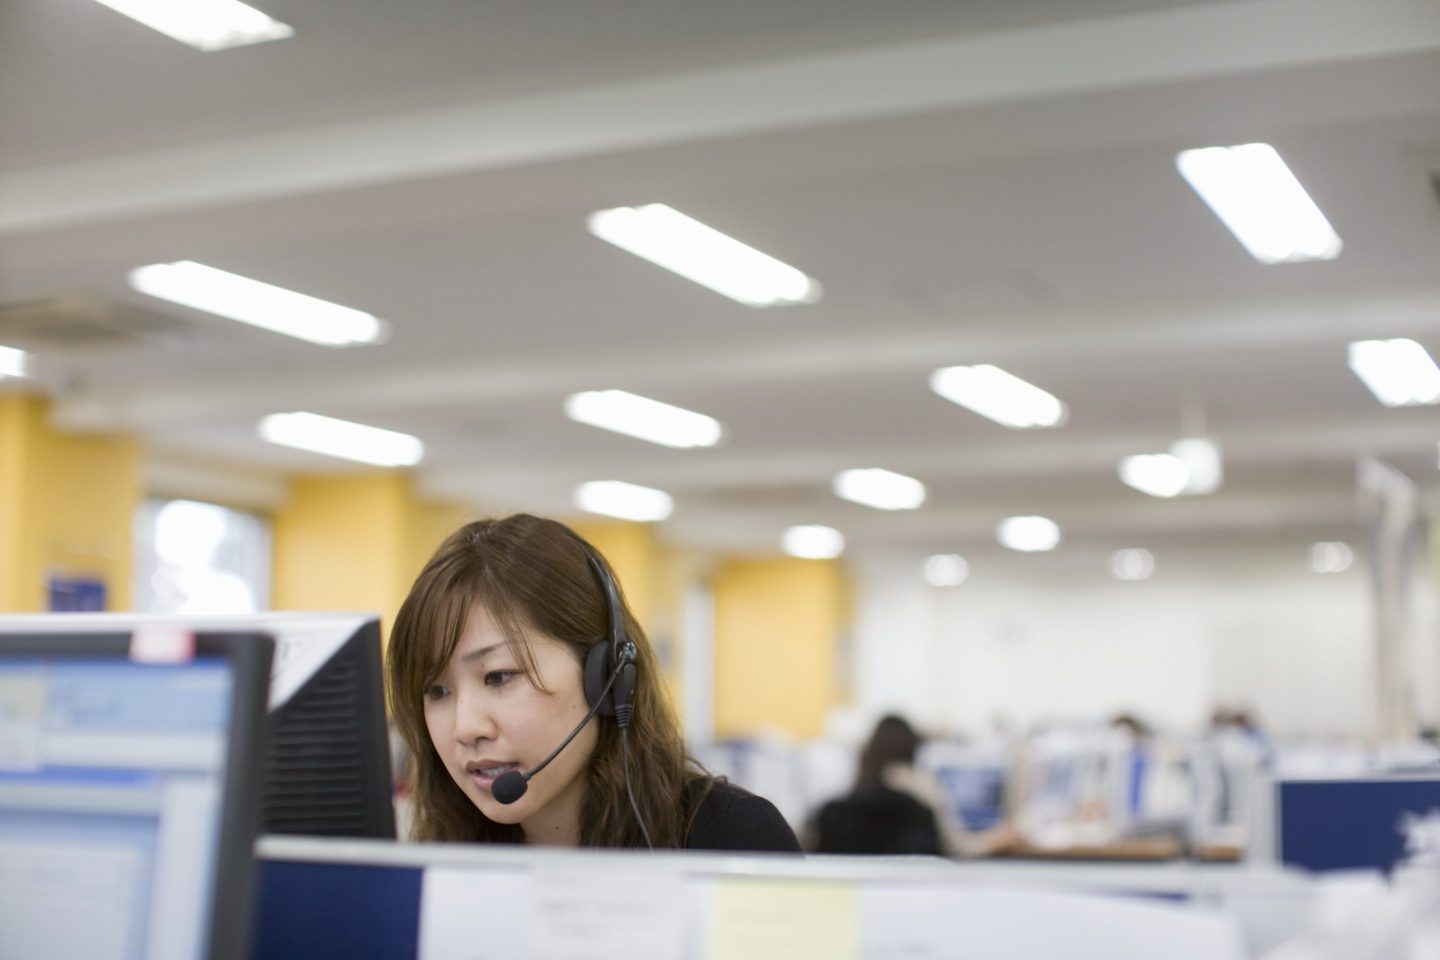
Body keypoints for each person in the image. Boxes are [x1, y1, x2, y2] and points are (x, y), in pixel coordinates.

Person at [385, 513, 800, 852]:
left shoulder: (732, 839)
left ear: (606, 675)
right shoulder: (438, 855)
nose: (465, 728)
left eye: (499, 677)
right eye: (436, 690)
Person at [812, 714, 1020, 857]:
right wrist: (998, 838)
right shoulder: (922, 791)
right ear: (913, 749)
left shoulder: (841, 807)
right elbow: (957, 847)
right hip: (914, 903)